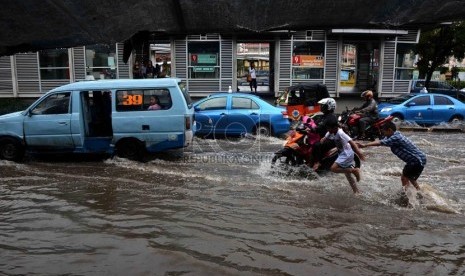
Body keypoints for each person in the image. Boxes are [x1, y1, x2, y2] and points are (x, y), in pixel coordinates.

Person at [357, 121, 426, 191]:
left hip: (416, 160)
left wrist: (365, 145)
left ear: (389, 130)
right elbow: (381, 140)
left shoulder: (396, 137)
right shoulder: (393, 135)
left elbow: (380, 143)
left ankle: (409, 195)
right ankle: (417, 193)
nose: (383, 134)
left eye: (384, 132)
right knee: (409, 178)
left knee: (405, 178)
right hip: (418, 159)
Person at [323, 116, 365, 194]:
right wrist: (324, 138)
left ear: (335, 127)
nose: (328, 130)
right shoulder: (333, 131)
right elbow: (328, 133)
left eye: (329, 128)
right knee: (347, 175)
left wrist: (359, 153)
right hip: (343, 153)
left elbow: (352, 142)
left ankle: (354, 170)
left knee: (333, 168)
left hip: (346, 154)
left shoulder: (340, 133)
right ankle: (356, 191)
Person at [311, 98, 337, 171]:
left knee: (317, 145)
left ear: (329, 107)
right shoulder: (324, 116)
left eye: (323, 106)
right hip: (324, 137)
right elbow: (315, 122)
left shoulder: (331, 117)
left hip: (332, 139)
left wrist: (313, 129)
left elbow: (321, 126)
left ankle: (317, 162)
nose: (321, 107)